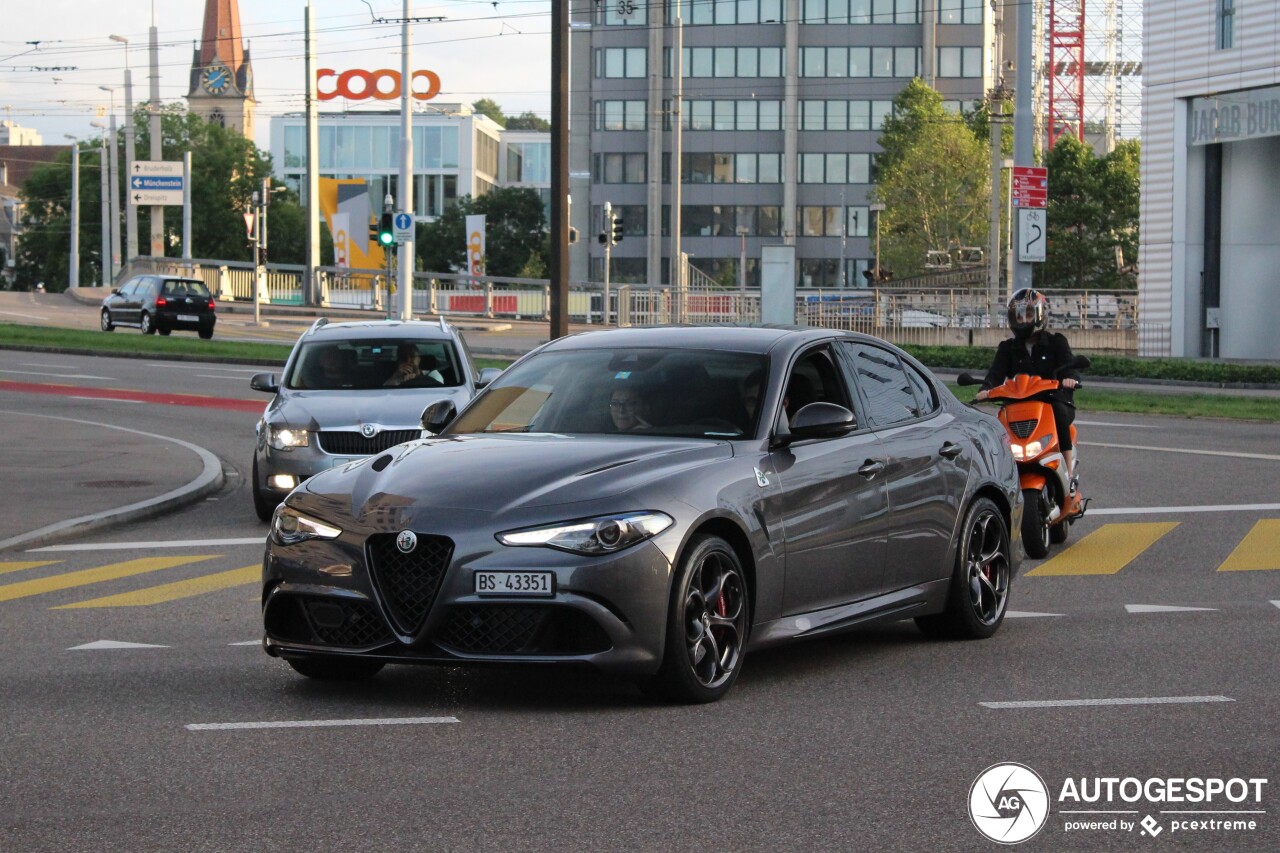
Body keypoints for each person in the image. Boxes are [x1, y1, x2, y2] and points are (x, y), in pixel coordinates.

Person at [976, 288, 1081, 477]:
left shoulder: (1056, 343)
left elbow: (1069, 367)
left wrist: (1070, 379)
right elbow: (995, 373)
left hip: (1053, 401)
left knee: (1059, 413)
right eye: (1019, 316)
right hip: (1019, 405)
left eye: (1029, 314)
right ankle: (1001, 474)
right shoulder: (1007, 348)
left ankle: (1069, 472)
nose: (1024, 320)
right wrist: (986, 389)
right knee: (998, 423)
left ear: (1040, 314)